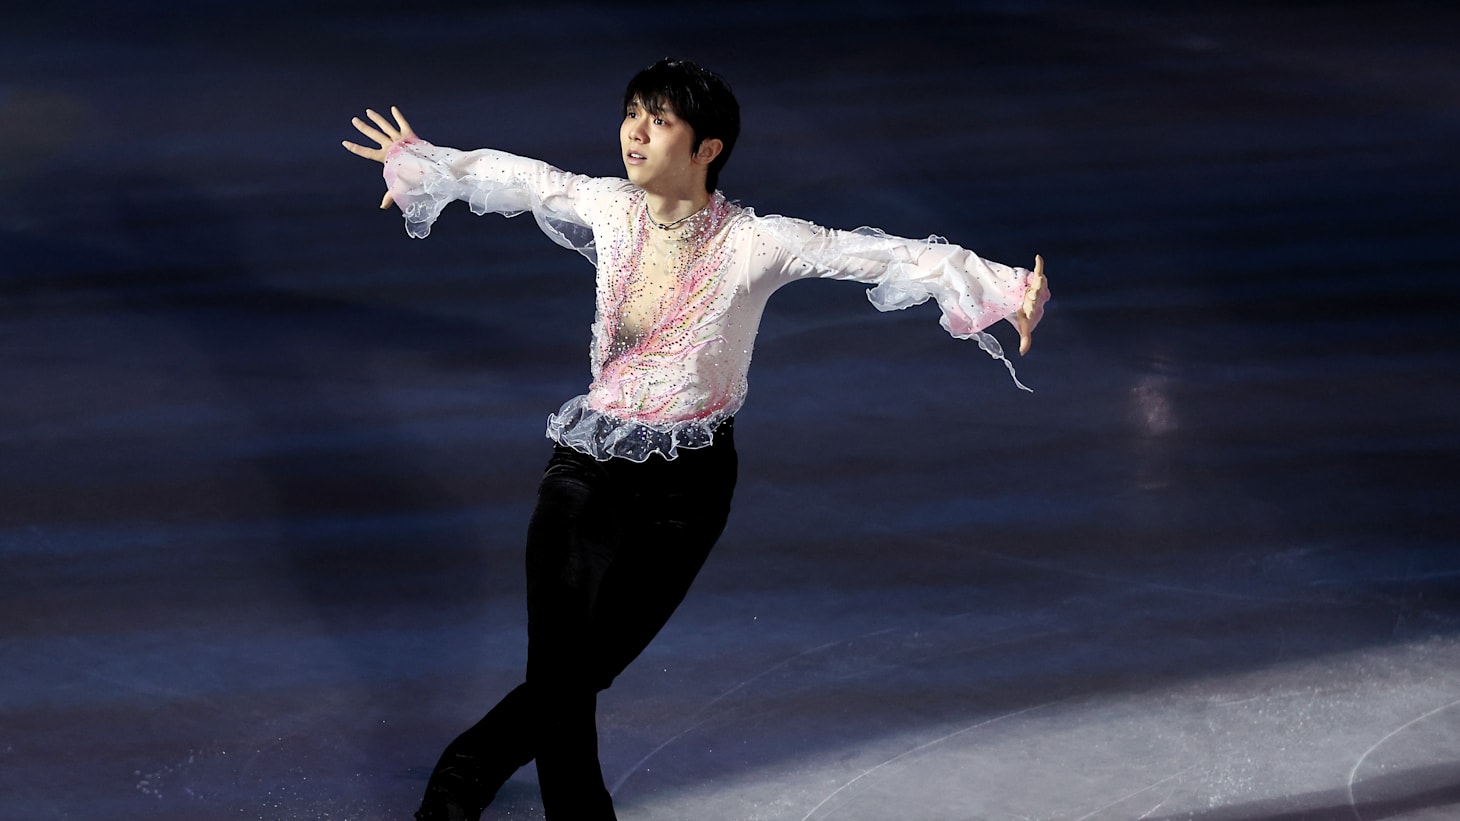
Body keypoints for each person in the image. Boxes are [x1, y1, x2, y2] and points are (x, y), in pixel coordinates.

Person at [343, 57, 1049, 821]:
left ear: (707, 147)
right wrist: (426, 165)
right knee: (558, 660)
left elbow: (879, 254)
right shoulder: (611, 207)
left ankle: (469, 764)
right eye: (631, 114)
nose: (635, 133)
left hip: (690, 491)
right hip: (585, 466)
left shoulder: (757, 243)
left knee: (586, 667)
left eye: (660, 120)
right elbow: (523, 179)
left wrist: (1005, 285)